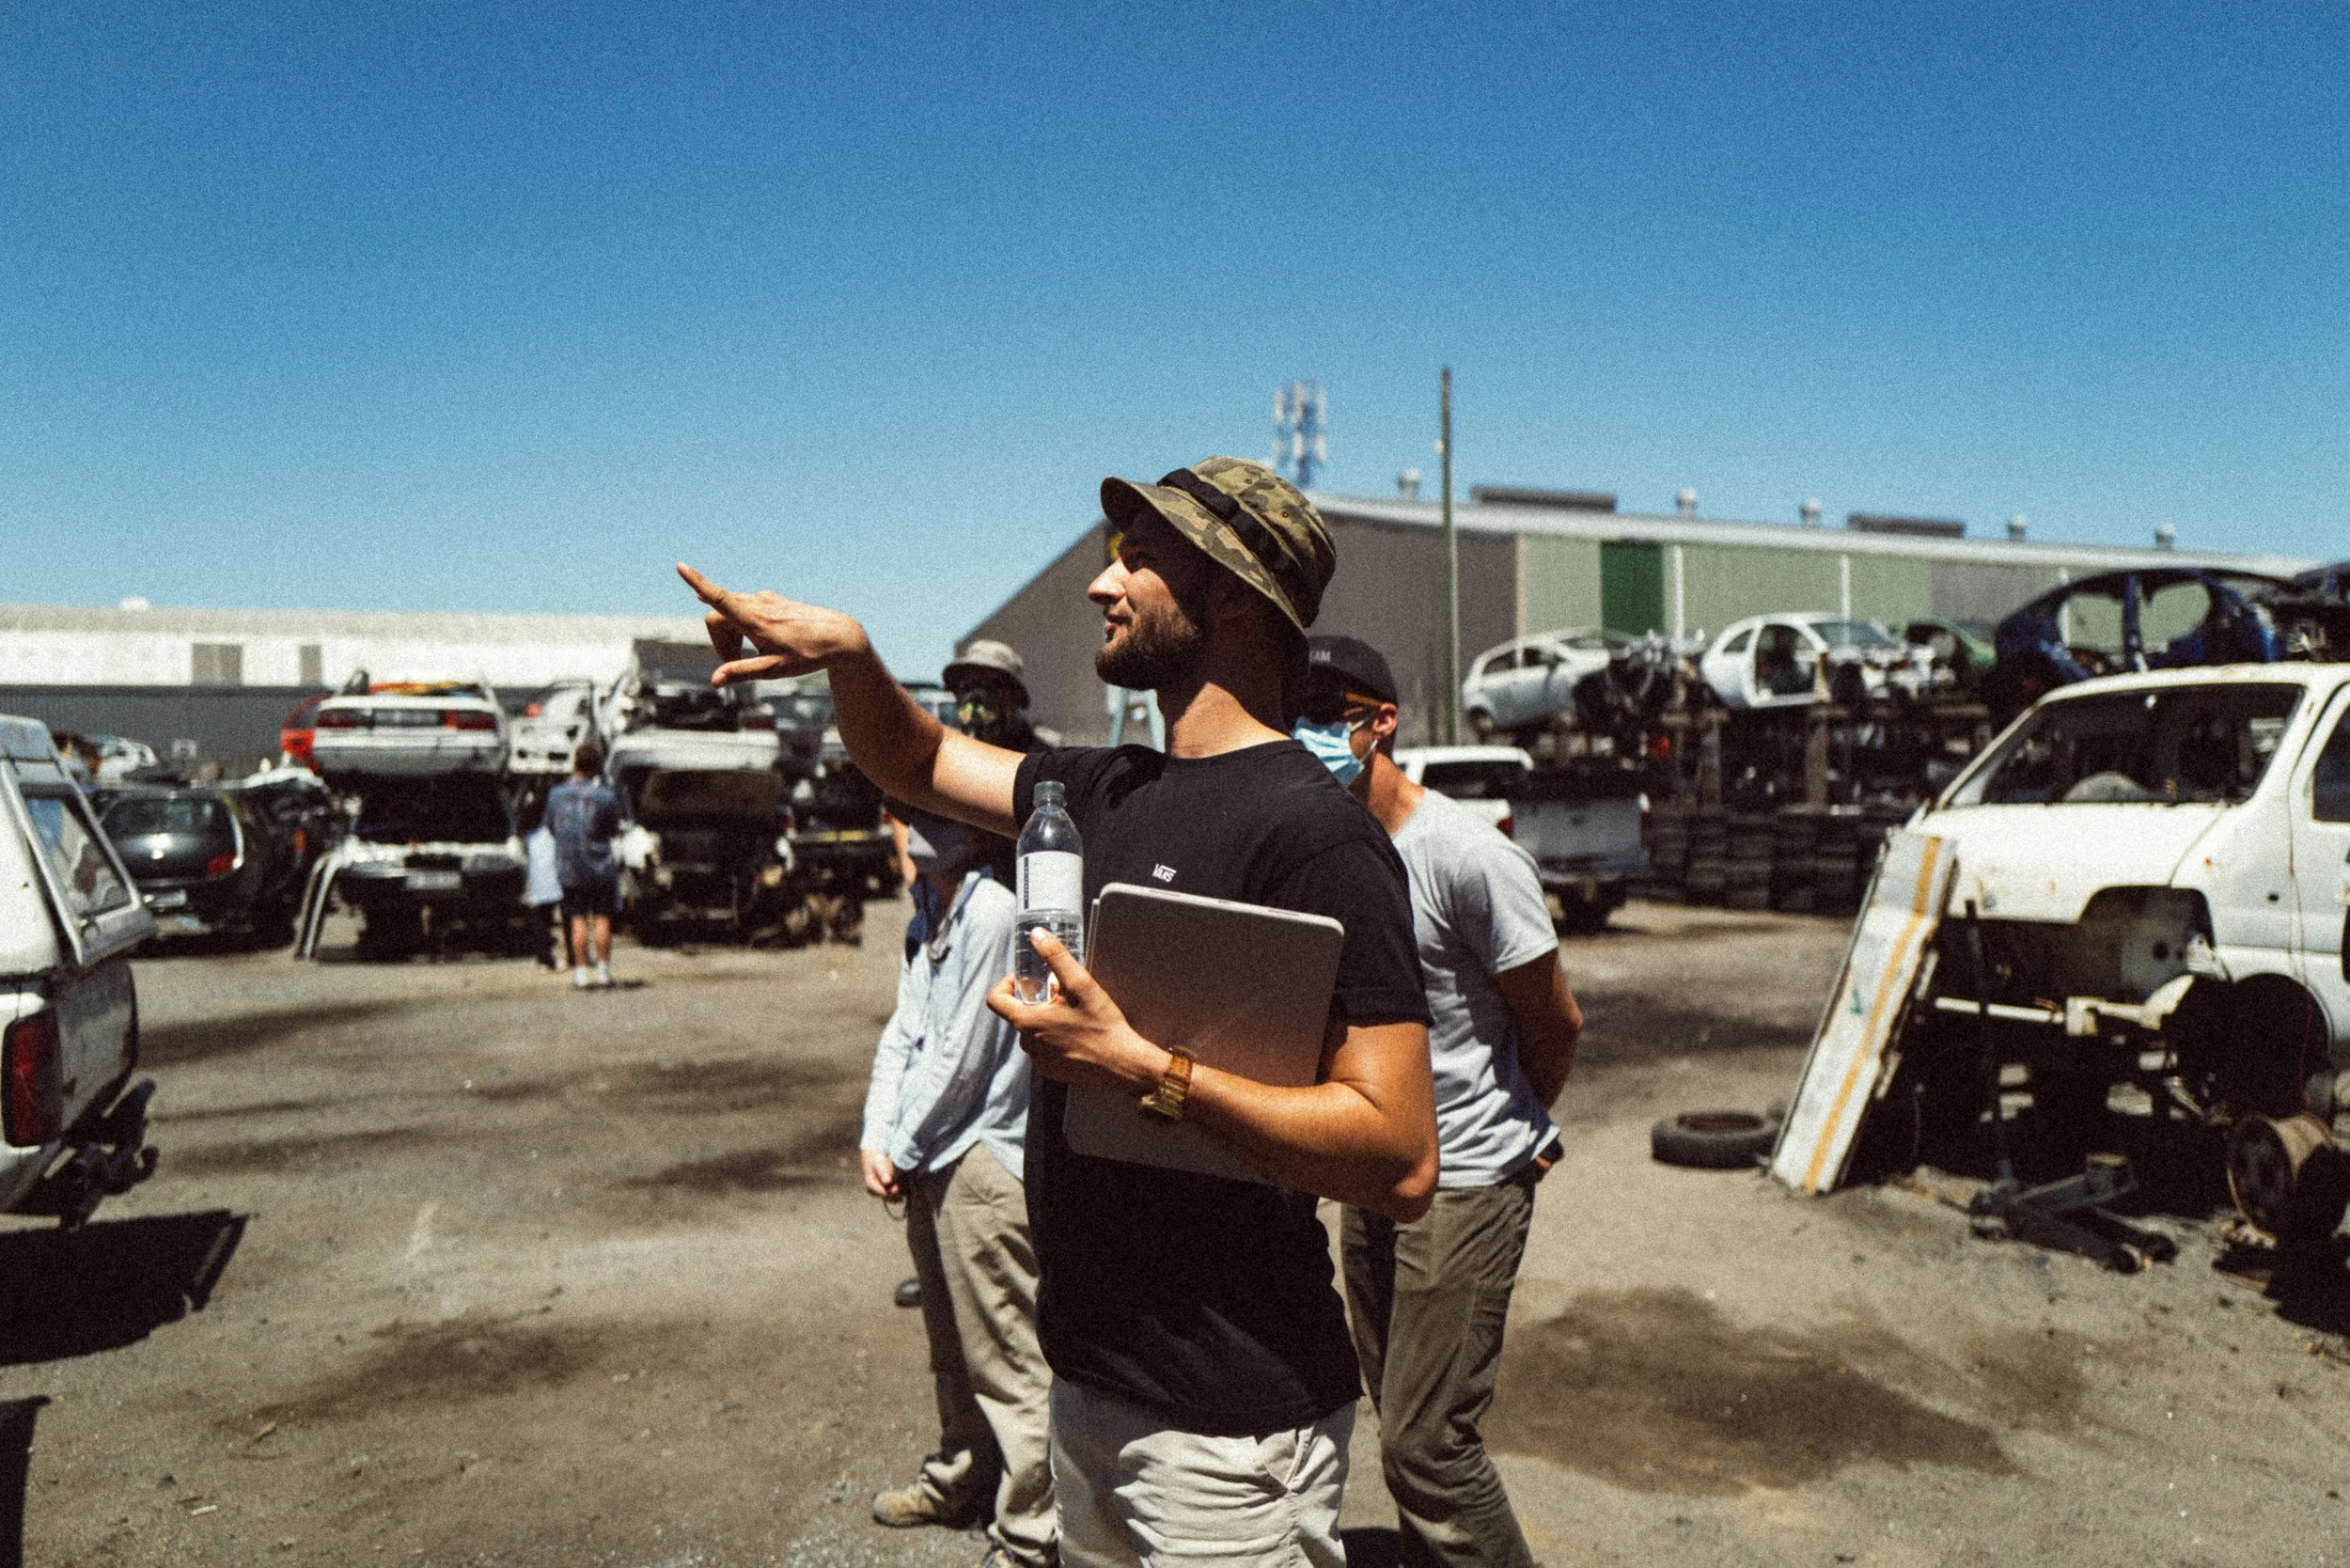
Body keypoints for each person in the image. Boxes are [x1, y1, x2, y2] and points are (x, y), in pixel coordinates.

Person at [679, 455, 1436, 1568]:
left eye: (1140, 559)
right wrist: (850, 657)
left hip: (1231, 1428)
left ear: (1231, 595)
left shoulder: (1318, 839)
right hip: (1086, 1385)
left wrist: (1141, 1067)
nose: (1102, 583)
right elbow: (920, 755)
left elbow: (1400, 1159)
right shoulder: (1097, 790)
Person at [1297, 635, 1584, 1568]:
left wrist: (1506, 1135)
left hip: (1463, 1181)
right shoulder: (1323, 852)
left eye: (1324, 713)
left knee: (1430, 1446)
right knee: (1399, 1417)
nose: (1304, 731)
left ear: (1379, 724)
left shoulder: (1463, 855)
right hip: (1375, 1174)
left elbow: (1555, 1020)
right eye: (1290, 711)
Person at [861, 804, 1055, 1568]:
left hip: (980, 1160)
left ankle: (1033, 1532)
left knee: (1007, 1356)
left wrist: (899, 1146)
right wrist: (877, 1137)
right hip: (933, 1154)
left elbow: (965, 1060)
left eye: (913, 815)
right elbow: (905, 1032)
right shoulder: (929, 910)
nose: (904, 830)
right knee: (951, 1348)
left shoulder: (993, 911)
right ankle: (962, 1477)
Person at [545, 742, 622, 990]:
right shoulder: (605, 797)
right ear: (597, 767)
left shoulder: (556, 795)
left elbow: (551, 827)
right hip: (600, 865)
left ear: (575, 764)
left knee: (577, 919)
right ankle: (603, 972)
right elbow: (613, 829)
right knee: (602, 918)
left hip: (570, 867)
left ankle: (580, 972)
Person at [521, 796, 566, 972]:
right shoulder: (553, 830)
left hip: (538, 882)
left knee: (541, 920)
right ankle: (573, 957)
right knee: (568, 918)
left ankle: (543, 960)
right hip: (557, 879)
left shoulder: (529, 834)